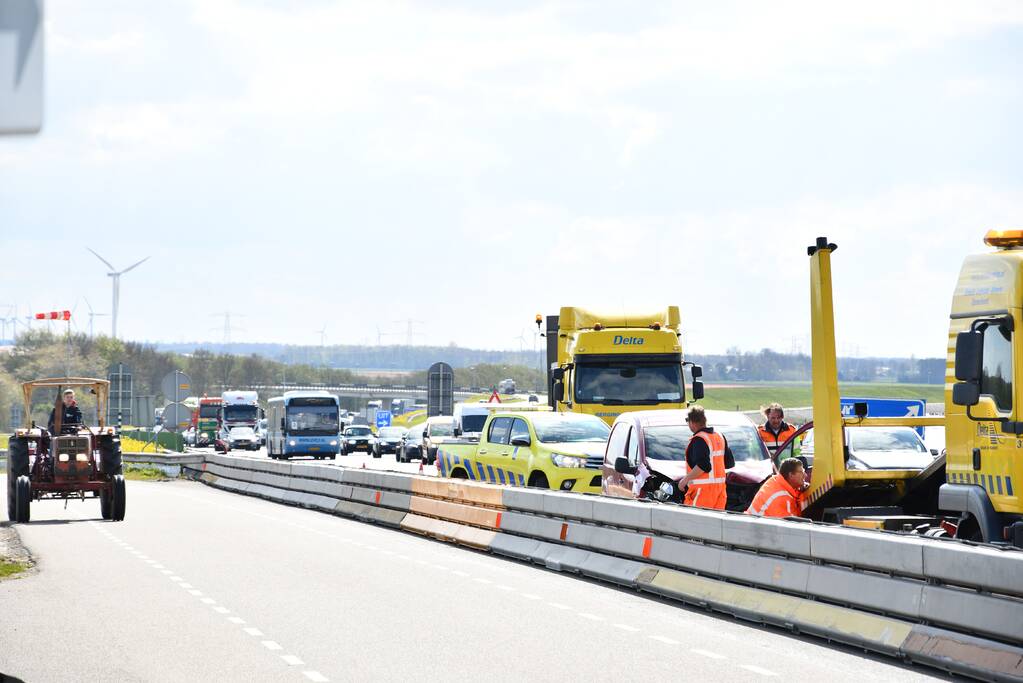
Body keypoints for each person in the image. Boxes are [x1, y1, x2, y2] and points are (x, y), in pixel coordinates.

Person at [675, 406, 734, 510]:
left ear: (692, 422)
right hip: (720, 492)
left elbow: (703, 466)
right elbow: (729, 463)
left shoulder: (699, 439)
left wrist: (684, 480)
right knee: (714, 520)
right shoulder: (719, 436)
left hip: (702, 493)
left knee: (696, 519)